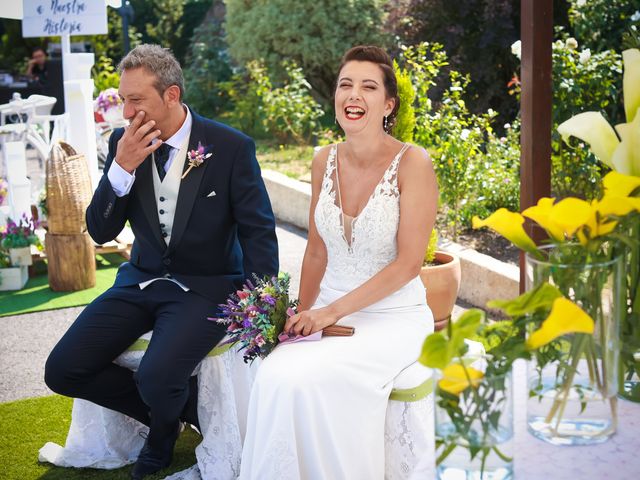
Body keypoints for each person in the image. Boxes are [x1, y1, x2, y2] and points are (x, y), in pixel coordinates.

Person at [44, 44, 278, 480]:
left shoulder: (229, 147)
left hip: (207, 288)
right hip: (141, 282)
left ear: (171, 96)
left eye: (136, 100)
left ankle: (162, 434)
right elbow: (99, 231)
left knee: (156, 375)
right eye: (122, 99)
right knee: (61, 369)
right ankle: (168, 411)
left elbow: (258, 232)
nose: (125, 110)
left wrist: (258, 307)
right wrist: (122, 168)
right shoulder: (123, 143)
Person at [239, 45, 438, 479]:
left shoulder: (414, 163)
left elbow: (408, 265)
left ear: (388, 105)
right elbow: (316, 249)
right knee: (275, 375)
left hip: (393, 318)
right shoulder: (321, 159)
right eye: (345, 84)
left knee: (300, 383)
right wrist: (298, 317)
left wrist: (330, 311)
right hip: (327, 308)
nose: (354, 94)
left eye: (369, 86)